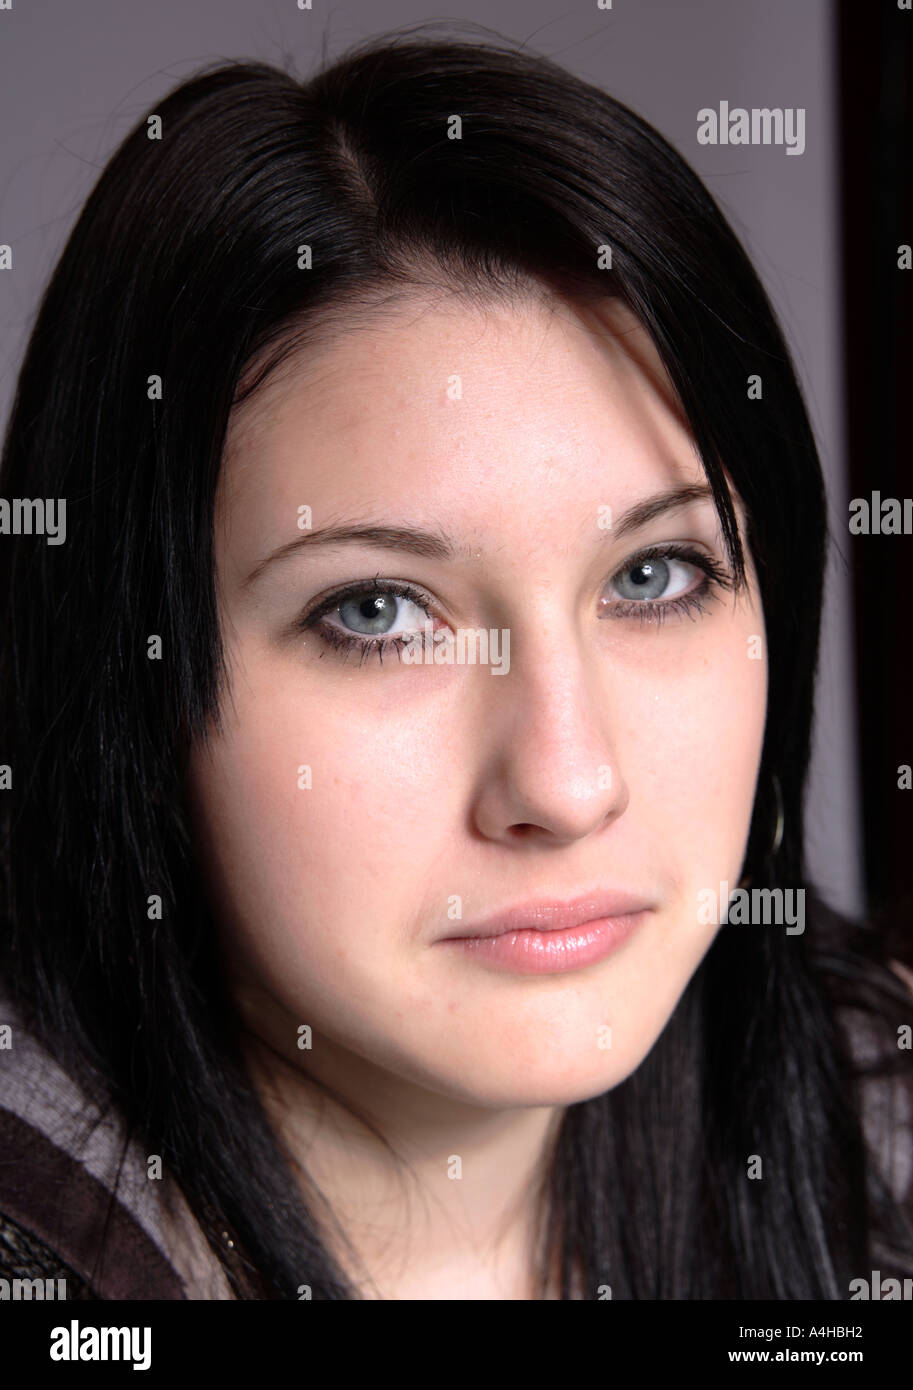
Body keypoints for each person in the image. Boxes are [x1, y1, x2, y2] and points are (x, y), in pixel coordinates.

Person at [1, 30, 911, 1301]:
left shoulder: (872, 1130)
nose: (567, 781)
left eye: (654, 577)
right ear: (131, 680)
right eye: (377, 611)